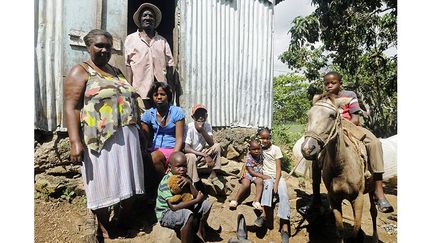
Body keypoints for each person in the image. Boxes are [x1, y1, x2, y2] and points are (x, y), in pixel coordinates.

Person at [63, 29, 145, 239]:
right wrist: (74, 142)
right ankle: (104, 223)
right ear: (88, 46)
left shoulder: (116, 71)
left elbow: (131, 100)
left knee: (128, 181)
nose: (104, 50)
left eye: (108, 46)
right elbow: (71, 107)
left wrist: (141, 131)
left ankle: (122, 219)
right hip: (99, 138)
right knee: (102, 181)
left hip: (127, 135)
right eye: (99, 45)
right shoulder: (80, 71)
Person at [323, 71, 394, 213]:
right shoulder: (323, 99)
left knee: (375, 143)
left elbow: (355, 119)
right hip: (329, 130)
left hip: (350, 125)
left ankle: (378, 191)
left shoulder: (350, 95)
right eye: (326, 83)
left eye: (333, 82)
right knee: (313, 150)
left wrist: (341, 124)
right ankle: (316, 199)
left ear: (340, 83)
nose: (329, 85)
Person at [124, 3, 174, 109]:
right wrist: (129, 90)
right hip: (140, 92)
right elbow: (128, 66)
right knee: (142, 122)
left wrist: (170, 92)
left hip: (160, 94)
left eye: (151, 16)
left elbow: (170, 67)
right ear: (140, 19)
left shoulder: (162, 41)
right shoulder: (131, 39)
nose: (148, 18)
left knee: (160, 122)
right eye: (145, 15)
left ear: (155, 21)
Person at [155, 151, 213, 243]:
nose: (182, 169)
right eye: (178, 166)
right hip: (166, 213)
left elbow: (195, 195)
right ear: (170, 167)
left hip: (184, 206)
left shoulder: (186, 177)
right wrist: (196, 200)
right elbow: (173, 207)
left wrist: (190, 184)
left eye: (184, 166)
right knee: (187, 214)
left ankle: (199, 230)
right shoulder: (166, 182)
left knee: (206, 204)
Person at [141, 82, 185, 197]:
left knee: (154, 157)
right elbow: (144, 136)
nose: (159, 97)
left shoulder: (177, 112)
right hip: (154, 148)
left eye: (162, 94)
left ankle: (164, 187)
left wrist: (173, 158)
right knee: (144, 157)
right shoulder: (148, 114)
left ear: (168, 96)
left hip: (171, 148)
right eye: (156, 95)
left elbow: (179, 139)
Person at [253, 127, 290, 243]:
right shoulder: (259, 149)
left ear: (270, 138)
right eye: (262, 138)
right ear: (259, 138)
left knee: (284, 195)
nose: (264, 140)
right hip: (266, 177)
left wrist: (277, 184)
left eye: (267, 138)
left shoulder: (276, 149)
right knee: (267, 187)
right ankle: (263, 215)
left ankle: (285, 228)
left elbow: (278, 169)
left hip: (277, 177)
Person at [184, 104, 224, 191]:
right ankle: (194, 182)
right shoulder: (189, 127)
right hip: (192, 156)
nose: (201, 117)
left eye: (203, 114)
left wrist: (202, 130)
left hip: (201, 155)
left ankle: (213, 175)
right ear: (193, 117)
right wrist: (205, 155)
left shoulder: (207, 125)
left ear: (206, 116)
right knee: (191, 156)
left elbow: (211, 143)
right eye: (198, 115)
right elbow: (186, 148)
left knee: (217, 146)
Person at [229, 139, 265, 211]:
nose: (256, 151)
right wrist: (263, 176)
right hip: (248, 174)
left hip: (257, 175)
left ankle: (256, 201)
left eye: (258, 149)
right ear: (250, 149)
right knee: (246, 184)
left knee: (260, 182)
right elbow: (250, 171)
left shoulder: (261, 156)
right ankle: (235, 200)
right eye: (254, 149)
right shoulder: (249, 158)